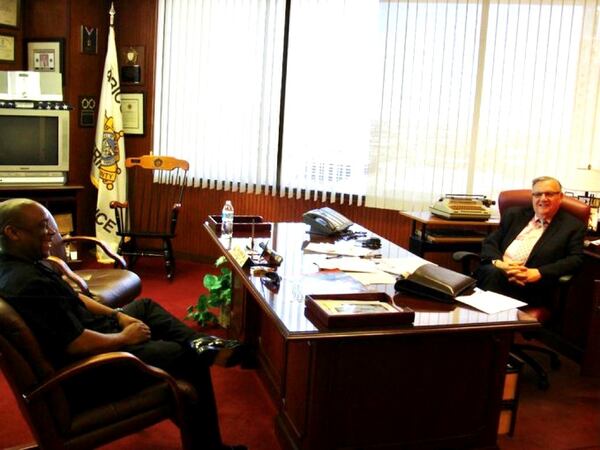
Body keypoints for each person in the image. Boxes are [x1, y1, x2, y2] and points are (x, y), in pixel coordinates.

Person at [0, 198, 246, 450]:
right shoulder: (27, 284)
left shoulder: (25, 263)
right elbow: (75, 344)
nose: (52, 231)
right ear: (13, 232)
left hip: (95, 333)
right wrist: (125, 338)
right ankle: (209, 446)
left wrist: (118, 315)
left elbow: (75, 297)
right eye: (43, 226)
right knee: (186, 356)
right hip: (90, 367)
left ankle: (202, 342)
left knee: (144, 306)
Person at [476, 176, 586, 305]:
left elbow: (575, 259)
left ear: (560, 197)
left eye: (549, 194)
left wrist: (539, 272)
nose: (543, 198)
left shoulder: (572, 226)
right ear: (532, 197)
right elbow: (490, 242)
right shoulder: (514, 215)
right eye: (538, 194)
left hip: (531, 285)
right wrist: (501, 264)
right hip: (497, 273)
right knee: (492, 272)